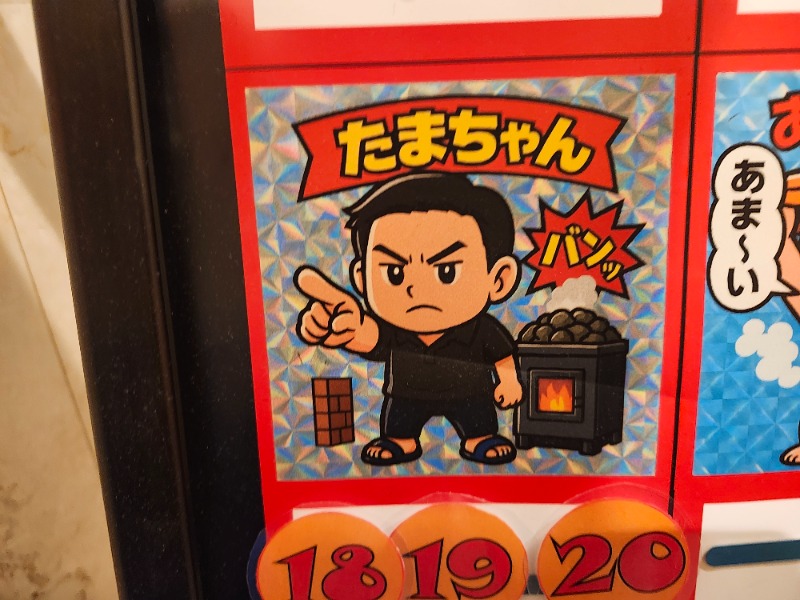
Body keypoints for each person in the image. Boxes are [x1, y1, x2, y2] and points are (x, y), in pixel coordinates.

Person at [294, 173, 523, 466]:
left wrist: (508, 382)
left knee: (478, 416)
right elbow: (372, 337)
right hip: (407, 393)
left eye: (446, 272)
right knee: (399, 418)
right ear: (363, 280)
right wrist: (350, 330)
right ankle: (400, 440)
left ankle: (479, 438)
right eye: (395, 273)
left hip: (469, 392)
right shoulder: (395, 329)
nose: (417, 290)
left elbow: (502, 354)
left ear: (498, 279)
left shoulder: (481, 329)